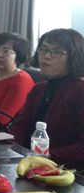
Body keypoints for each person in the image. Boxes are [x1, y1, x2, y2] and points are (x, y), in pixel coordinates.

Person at [10, 29, 84, 169]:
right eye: (43, 50)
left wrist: (44, 157)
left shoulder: (80, 90)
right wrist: (7, 148)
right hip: (29, 161)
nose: (46, 56)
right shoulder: (39, 89)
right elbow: (21, 126)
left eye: (56, 52)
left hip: (68, 169)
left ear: (74, 57)